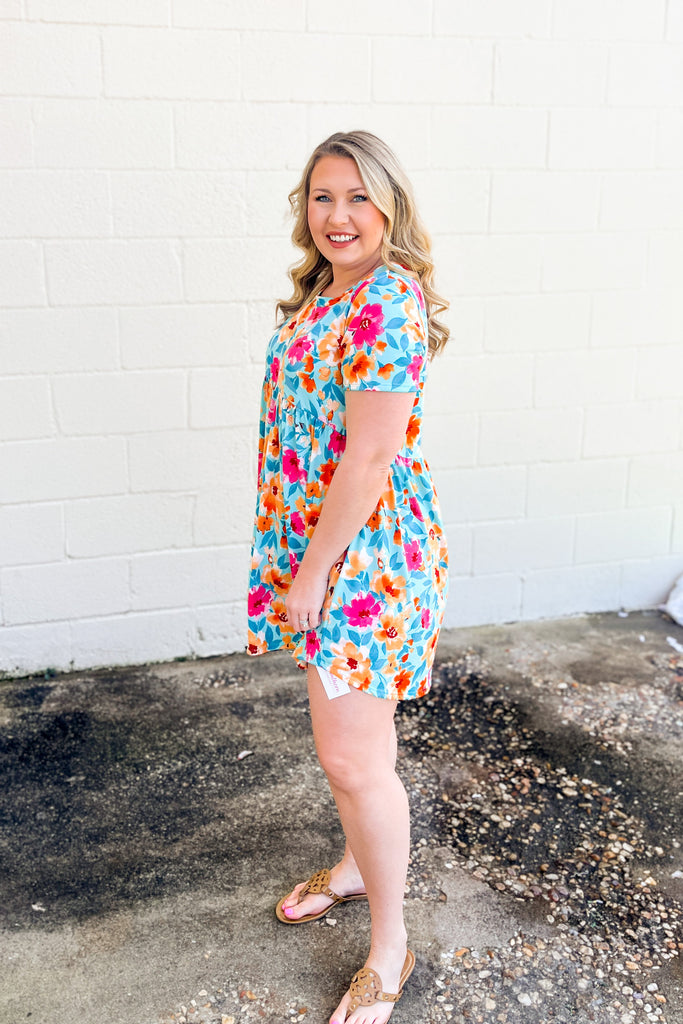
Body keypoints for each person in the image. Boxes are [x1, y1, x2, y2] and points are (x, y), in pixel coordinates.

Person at [246, 130, 450, 1024]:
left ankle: (390, 946)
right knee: (357, 746)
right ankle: (359, 867)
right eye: (323, 196)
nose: (338, 215)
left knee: (350, 756)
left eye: (359, 197)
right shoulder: (325, 294)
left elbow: (368, 461)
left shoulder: (387, 302)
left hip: (361, 560)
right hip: (321, 547)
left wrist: (311, 575)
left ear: (390, 206)